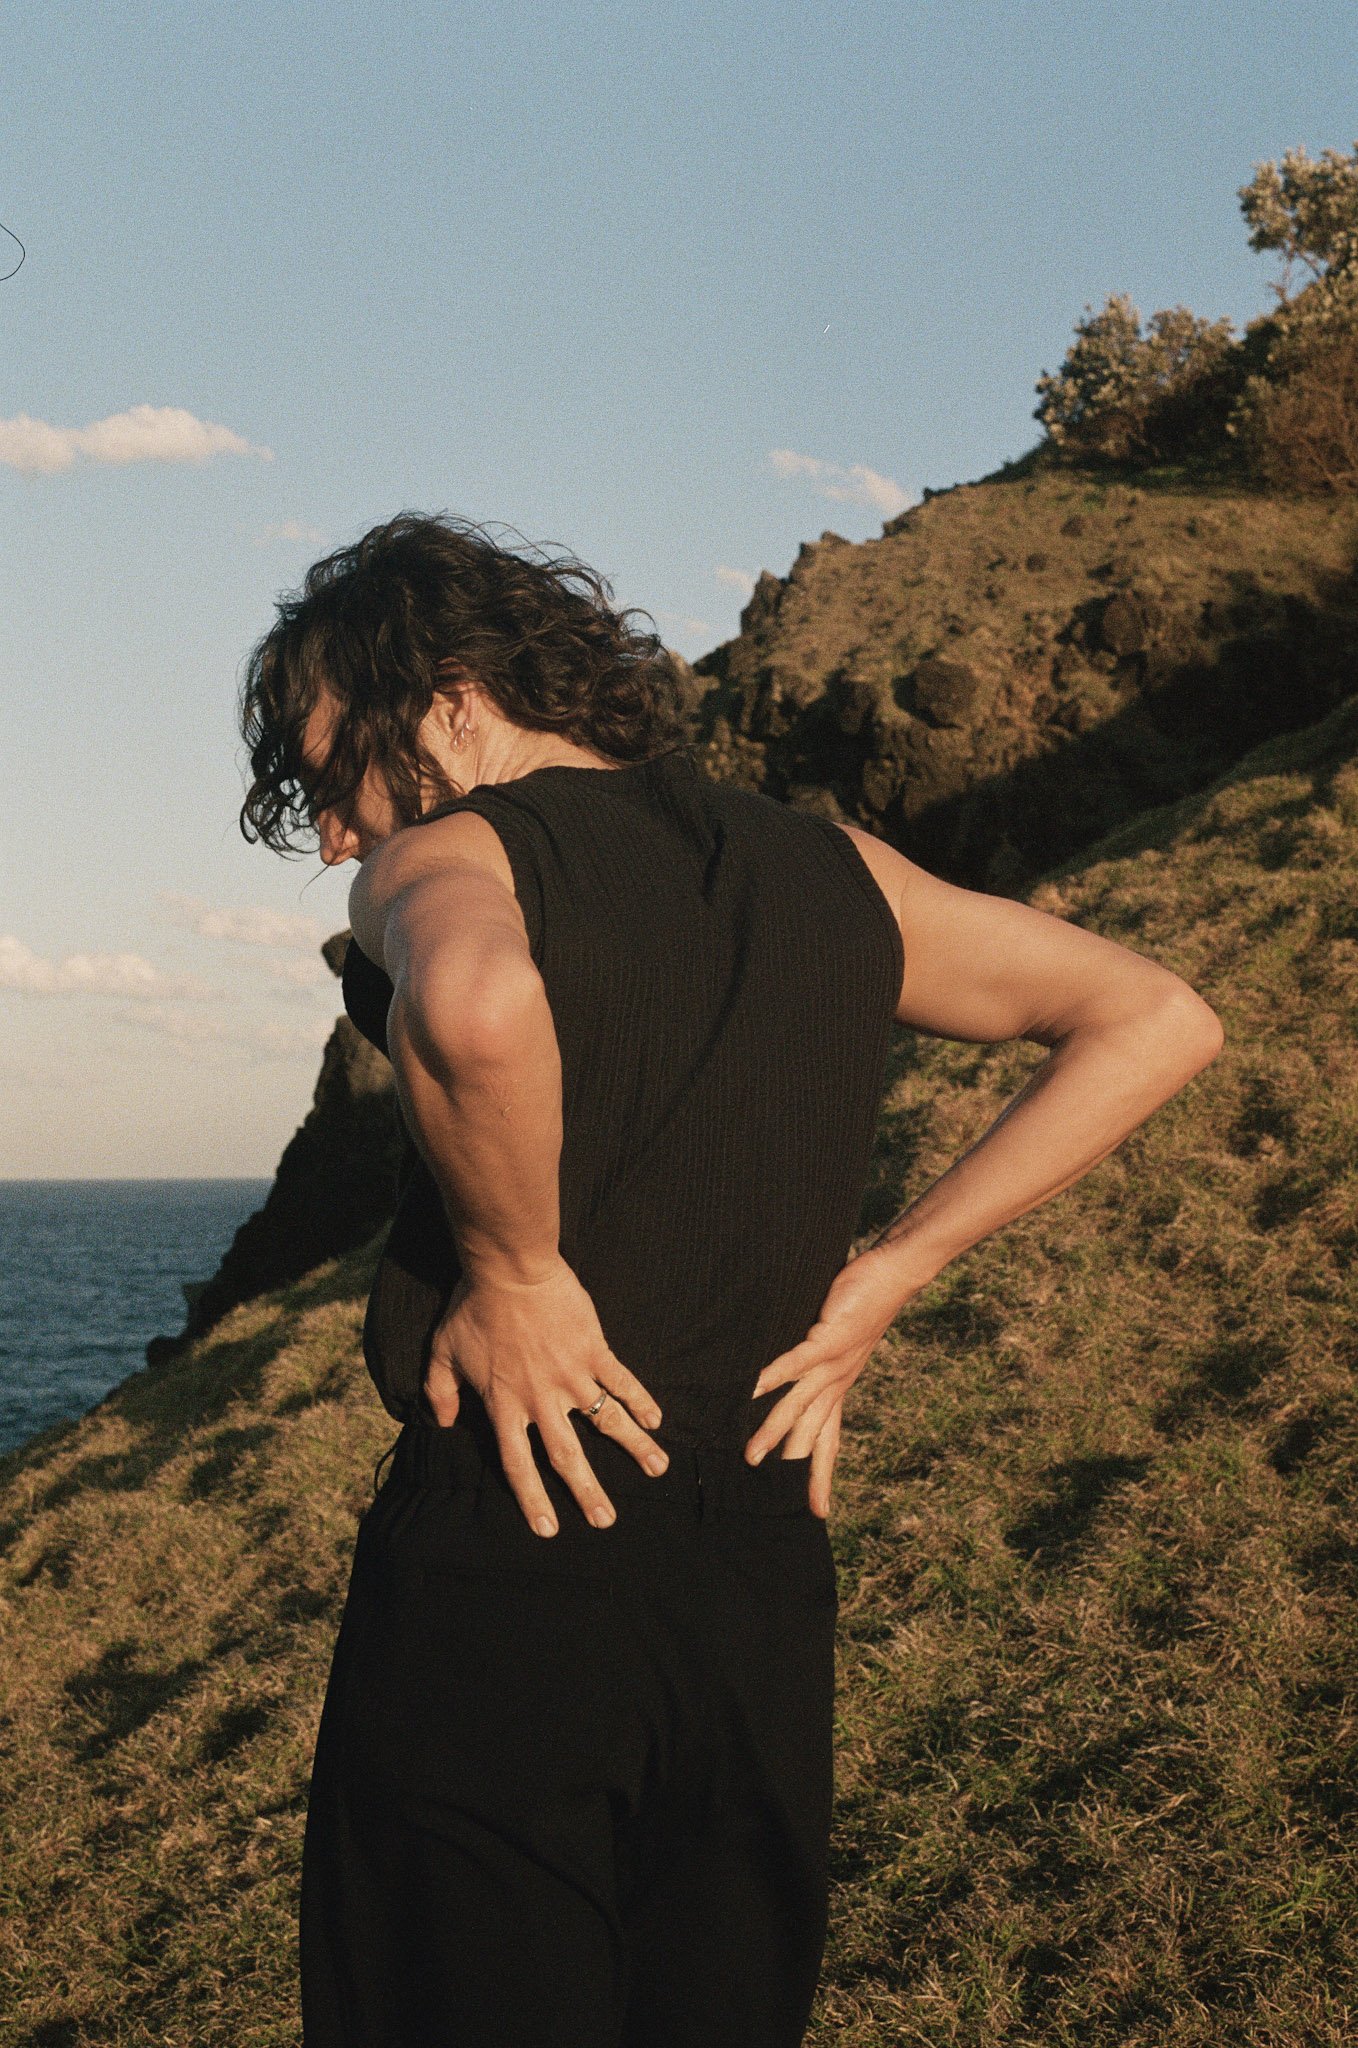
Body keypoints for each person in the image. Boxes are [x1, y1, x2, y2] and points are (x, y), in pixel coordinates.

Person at [238, 512, 1224, 2048]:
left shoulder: (451, 856)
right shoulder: (833, 868)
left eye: (332, 773)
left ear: (448, 700)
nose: (330, 837)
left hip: (511, 1558)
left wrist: (515, 1268)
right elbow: (1154, 1017)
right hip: (756, 1584)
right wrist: (892, 1271)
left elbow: (477, 1003)